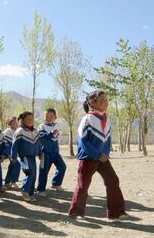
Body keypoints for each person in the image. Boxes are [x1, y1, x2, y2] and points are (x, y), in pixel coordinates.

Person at [68, 90, 127, 220]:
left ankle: (116, 213)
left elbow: (107, 139)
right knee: (83, 185)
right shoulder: (87, 119)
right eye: (101, 100)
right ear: (91, 102)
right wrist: (97, 154)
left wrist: (106, 153)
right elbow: (82, 140)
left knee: (113, 181)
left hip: (103, 159)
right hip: (89, 158)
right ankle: (76, 212)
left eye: (106, 99)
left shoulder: (107, 119)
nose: (105, 102)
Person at [11, 111, 42, 202]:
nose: (30, 120)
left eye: (32, 119)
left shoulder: (35, 131)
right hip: (24, 156)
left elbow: (38, 144)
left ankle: (30, 194)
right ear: (23, 120)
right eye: (28, 119)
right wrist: (13, 156)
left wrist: (40, 153)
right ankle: (25, 189)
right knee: (30, 172)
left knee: (34, 175)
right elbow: (15, 145)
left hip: (32, 157)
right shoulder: (20, 131)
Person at [36, 108, 67, 196]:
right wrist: (50, 134)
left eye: (51, 116)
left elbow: (55, 139)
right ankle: (40, 190)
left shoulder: (56, 126)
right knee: (43, 171)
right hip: (45, 153)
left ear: (55, 117)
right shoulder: (42, 126)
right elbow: (41, 137)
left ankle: (56, 184)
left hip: (55, 152)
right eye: (46, 116)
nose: (48, 118)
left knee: (62, 166)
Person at [3, 116, 21, 189]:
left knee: (12, 166)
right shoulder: (8, 131)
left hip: (14, 152)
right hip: (9, 151)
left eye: (16, 122)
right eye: (14, 122)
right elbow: (3, 139)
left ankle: (7, 182)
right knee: (17, 165)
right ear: (10, 123)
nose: (16, 123)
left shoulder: (17, 131)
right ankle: (13, 181)